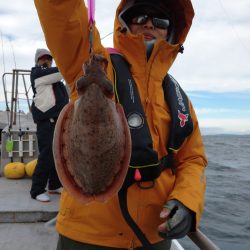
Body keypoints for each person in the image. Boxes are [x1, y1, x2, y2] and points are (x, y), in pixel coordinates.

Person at [34, 0, 207, 249]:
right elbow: (61, 12)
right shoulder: (93, 63)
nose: (149, 23)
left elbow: (193, 159)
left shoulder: (178, 99)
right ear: (124, 22)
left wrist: (189, 201)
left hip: (154, 236)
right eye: (139, 16)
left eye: (160, 21)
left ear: (172, 31)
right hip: (88, 235)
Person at [30, 48, 69, 202]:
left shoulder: (55, 81)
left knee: (57, 154)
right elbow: (62, 71)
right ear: (37, 61)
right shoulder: (37, 73)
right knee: (46, 155)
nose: (46, 60)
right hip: (46, 121)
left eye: (49, 58)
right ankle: (37, 190)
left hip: (58, 121)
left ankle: (54, 185)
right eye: (42, 58)